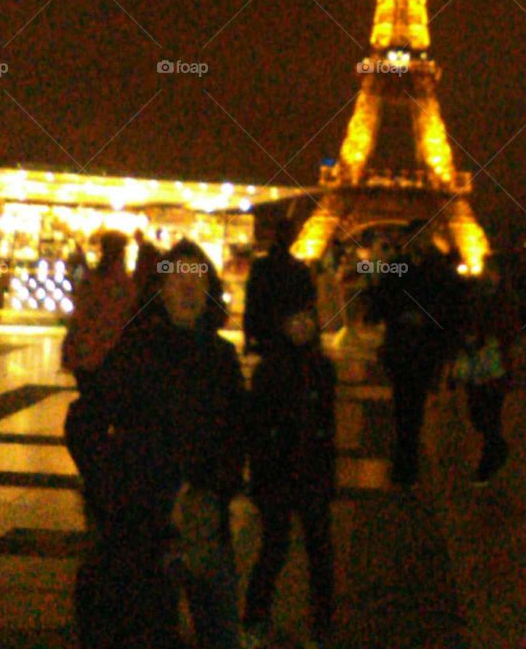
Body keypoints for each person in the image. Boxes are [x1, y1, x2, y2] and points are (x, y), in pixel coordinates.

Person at [73, 238, 245, 649]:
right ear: (160, 290)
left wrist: (220, 488)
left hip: (206, 521)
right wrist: (112, 487)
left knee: (219, 629)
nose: (188, 288)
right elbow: (83, 422)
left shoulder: (222, 357)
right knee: (151, 629)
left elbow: (238, 433)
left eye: (197, 277)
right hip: (145, 526)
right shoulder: (137, 351)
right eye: (177, 278)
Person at [243, 299, 336, 649]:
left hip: (312, 472)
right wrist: (259, 471)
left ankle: (322, 621)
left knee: (320, 551)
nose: (301, 326)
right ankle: (255, 617)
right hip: (278, 475)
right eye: (293, 319)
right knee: (273, 548)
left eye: (306, 319)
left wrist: (329, 474)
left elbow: (328, 425)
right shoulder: (269, 370)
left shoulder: (323, 368)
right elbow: (256, 424)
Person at [369, 218, 463, 486]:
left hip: (421, 347)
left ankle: (406, 459)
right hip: (406, 347)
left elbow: (453, 308)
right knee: (405, 405)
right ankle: (406, 457)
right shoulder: (423, 267)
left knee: (412, 404)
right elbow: (381, 303)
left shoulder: (434, 268)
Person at [62, 231, 136, 523]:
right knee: (106, 416)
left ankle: (94, 471)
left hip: (86, 359)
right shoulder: (124, 285)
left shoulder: (92, 280)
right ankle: (103, 473)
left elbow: (80, 315)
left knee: (92, 413)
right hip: (111, 359)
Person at [453, 253, 517, 486]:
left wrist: (487, 336)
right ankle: (495, 448)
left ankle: (490, 458)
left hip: (493, 365)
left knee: (489, 413)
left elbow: (509, 328)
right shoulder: (478, 294)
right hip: (475, 362)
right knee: (476, 412)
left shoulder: (504, 298)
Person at [243, 213, 315, 355]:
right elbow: (308, 307)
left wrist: (248, 337)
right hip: (291, 337)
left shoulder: (260, 267)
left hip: (266, 334)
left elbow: (251, 302)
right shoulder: (300, 269)